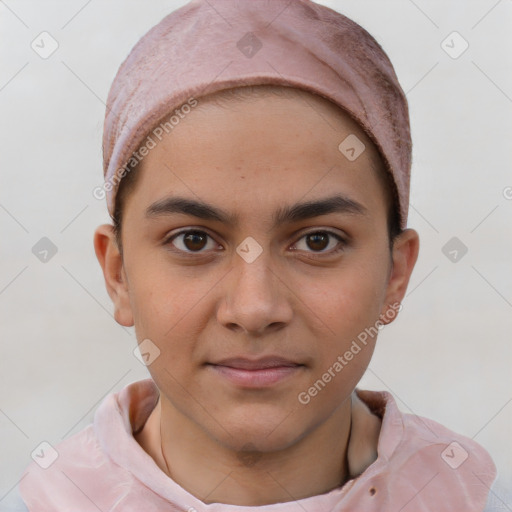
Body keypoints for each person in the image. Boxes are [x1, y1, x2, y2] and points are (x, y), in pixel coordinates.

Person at [18, 0, 497, 510]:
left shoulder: (468, 497)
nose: (253, 309)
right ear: (118, 275)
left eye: (318, 241)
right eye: (194, 240)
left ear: (395, 275)